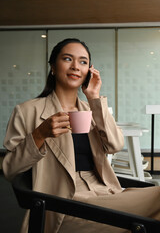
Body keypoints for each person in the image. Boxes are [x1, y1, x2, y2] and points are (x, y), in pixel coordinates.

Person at [2, 38, 160, 233]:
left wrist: (94, 98)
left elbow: (115, 145)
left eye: (83, 62)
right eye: (67, 59)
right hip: (65, 204)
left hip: (106, 194)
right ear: (53, 66)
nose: (76, 66)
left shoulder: (91, 109)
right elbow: (10, 170)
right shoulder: (27, 111)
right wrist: (39, 134)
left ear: (89, 71)